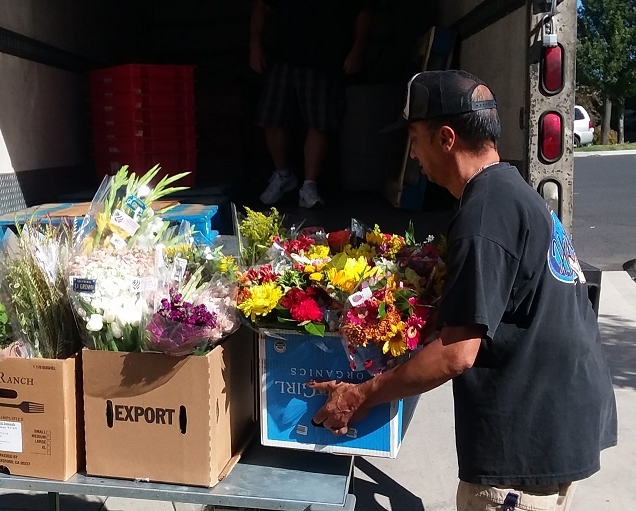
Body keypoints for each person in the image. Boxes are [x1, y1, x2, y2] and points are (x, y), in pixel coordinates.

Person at [308, 70, 617, 510]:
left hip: (521, 457)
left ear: (446, 138)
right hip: (559, 429)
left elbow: (458, 354)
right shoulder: (511, 193)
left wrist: (362, 395)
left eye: (415, 138)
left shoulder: (485, 214)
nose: (412, 154)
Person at [250, 0, 372, 208]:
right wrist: (255, 45)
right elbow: (261, 5)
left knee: (319, 123)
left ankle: (309, 186)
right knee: (270, 118)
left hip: (324, 58)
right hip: (282, 56)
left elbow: (364, 9)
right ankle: (282, 174)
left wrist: (358, 49)